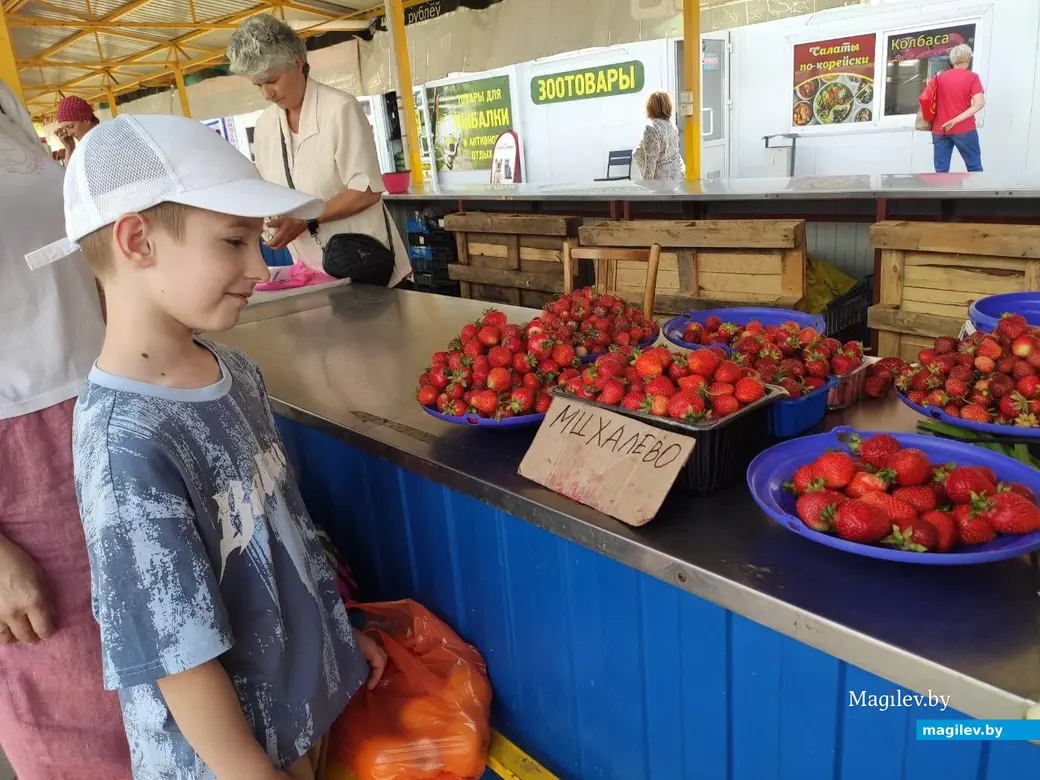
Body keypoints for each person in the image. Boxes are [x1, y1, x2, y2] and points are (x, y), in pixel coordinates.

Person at [64, 113, 387, 778]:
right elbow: (176, 657)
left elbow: (278, 534)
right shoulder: (123, 442)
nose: (260, 266)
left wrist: (337, 629)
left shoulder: (235, 372)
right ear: (137, 241)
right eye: (234, 241)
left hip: (300, 715)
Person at [0, 80, 132, 778]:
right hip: (20, 462)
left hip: (97, 415)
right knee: (75, 719)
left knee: (152, 678)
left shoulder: (9, 103)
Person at [227, 14, 412, 288]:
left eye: (272, 80)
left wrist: (306, 218)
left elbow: (367, 191)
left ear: (298, 64)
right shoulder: (266, 125)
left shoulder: (339, 109)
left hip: (366, 268)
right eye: (257, 84)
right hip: (311, 273)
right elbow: (268, 189)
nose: (267, 93)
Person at [921, 43, 985, 173]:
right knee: (974, 168)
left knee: (941, 172)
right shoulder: (972, 77)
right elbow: (979, 103)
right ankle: (977, 193)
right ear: (967, 59)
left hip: (940, 129)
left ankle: (941, 193)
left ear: (952, 60)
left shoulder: (939, 77)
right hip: (965, 129)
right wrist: (955, 120)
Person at [632, 90, 685, 180]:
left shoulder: (651, 128)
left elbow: (650, 164)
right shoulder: (672, 125)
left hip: (662, 182)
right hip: (678, 175)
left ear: (650, 107)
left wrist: (647, 188)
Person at [54, 94, 100, 160]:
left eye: (71, 126)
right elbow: (72, 170)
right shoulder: (86, 146)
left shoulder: (106, 140)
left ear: (86, 119)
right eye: (65, 129)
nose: (69, 134)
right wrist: (69, 148)